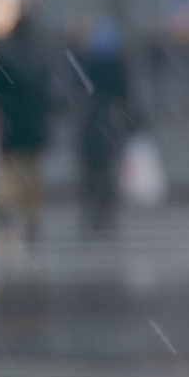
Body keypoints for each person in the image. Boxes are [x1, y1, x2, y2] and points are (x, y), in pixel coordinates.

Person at [0, 15, 54, 239]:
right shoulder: (41, 55)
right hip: (34, 122)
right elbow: (49, 92)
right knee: (32, 169)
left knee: (7, 166)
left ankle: (4, 205)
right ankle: (32, 214)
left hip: (11, 119)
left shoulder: (4, 53)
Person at [77, 16, 130, 233]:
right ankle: (105, 212)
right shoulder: (118, 64)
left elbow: (78, 91)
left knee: (91, 171)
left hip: (91, 121)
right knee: (107, 170)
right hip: (109, 122)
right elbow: (125, 94)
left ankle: (92, 212)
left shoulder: (88, 63)